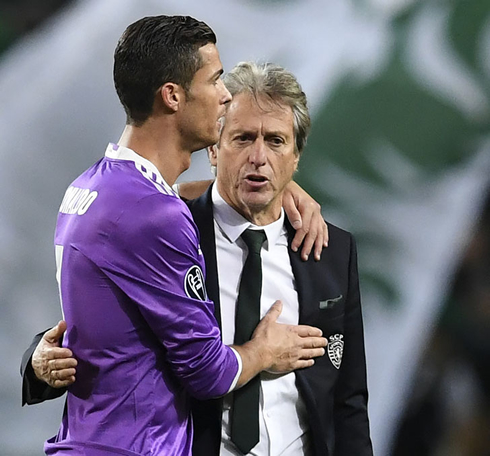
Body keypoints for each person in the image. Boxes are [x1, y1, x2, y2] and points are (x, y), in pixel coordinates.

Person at [23, 61, 373, 455]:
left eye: (275, 141)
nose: (258, 156)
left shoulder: (330, 251)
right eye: (242, 138)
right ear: (212, 149)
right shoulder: (167, 230)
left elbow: (347, 401)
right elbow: (98, 324)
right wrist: (37, 362)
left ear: (296, 158)